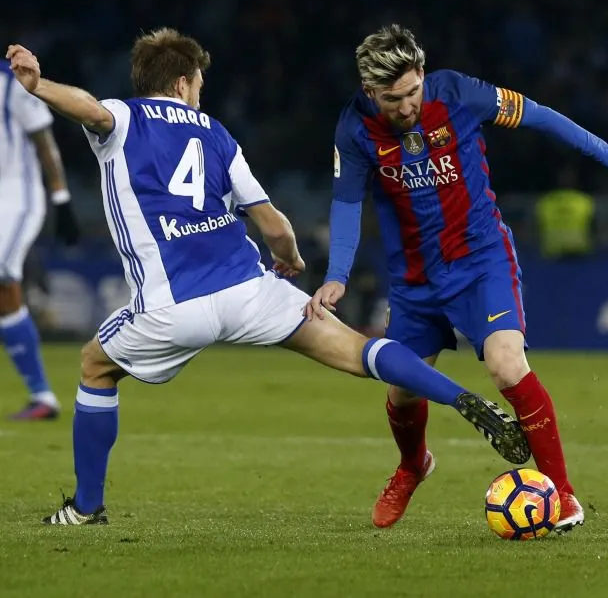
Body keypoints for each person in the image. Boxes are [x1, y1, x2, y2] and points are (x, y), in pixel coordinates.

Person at [5, 29, 529, 526]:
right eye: (199, 84)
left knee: (95, 365)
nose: (200, 94)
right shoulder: (217, 135)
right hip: (250, 291)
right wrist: (291, 259)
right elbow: (273, 224)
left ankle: (86, 507)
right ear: (183, 82)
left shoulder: (125, 116)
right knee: (359, 350)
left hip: (174, 303)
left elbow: (90, 109)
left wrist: (38, 85)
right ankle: (459, 396)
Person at [308, 24, 608, 532]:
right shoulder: (354, 127)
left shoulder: (458, 93)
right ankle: (412, 466)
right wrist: (337, 274)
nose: (404, 107)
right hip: (414, 279)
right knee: (402, 389)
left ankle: (562, 494)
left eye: (411, 92)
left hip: (479, 259)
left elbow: (538, 115)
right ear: (368, 91)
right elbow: (345, 201)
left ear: (422, 73)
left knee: (507, 365)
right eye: (390, 99)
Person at [0, 59, 80, 420]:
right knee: (6, 297)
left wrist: (61, 198)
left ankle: (42, 395)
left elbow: (44, 141)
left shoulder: (10, 83)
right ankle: (42, 396)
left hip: (17, 198)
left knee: (3, 276)